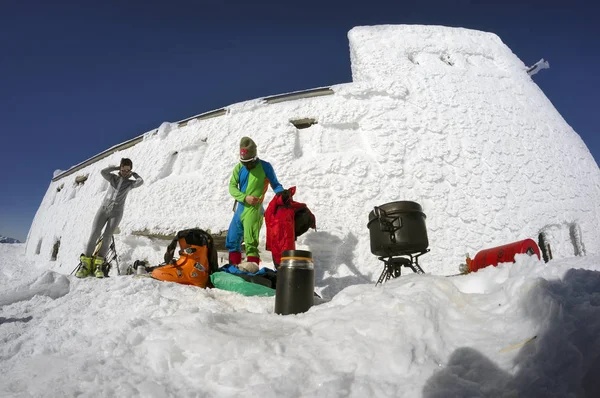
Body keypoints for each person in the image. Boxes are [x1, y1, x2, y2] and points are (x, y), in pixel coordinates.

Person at [226, 137, 289, 268]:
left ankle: (252, 271)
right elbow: (232, 187)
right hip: (240, 209)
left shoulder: (265, 167)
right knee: (232, 239)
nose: (246, 165)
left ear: (254, 156)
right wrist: (244, 197)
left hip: (254, 210)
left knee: (251, 242)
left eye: (249, 162)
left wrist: (282, 194)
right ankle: (234, 269)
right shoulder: (239, 168)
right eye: (244, 162)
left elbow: (276, 184)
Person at [76, 158, 144, 278]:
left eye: (128, 170)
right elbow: (103, 172)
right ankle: (85, 264)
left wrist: (134, 174)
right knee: (94, 233)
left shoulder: (130, 183)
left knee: (107, 237)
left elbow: (140, 181)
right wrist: (116, 168)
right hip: (103, 210)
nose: (125, 172)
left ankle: (98, 266)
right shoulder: (113, 178)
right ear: (121, 168)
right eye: (123, 169)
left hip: (116, 213)